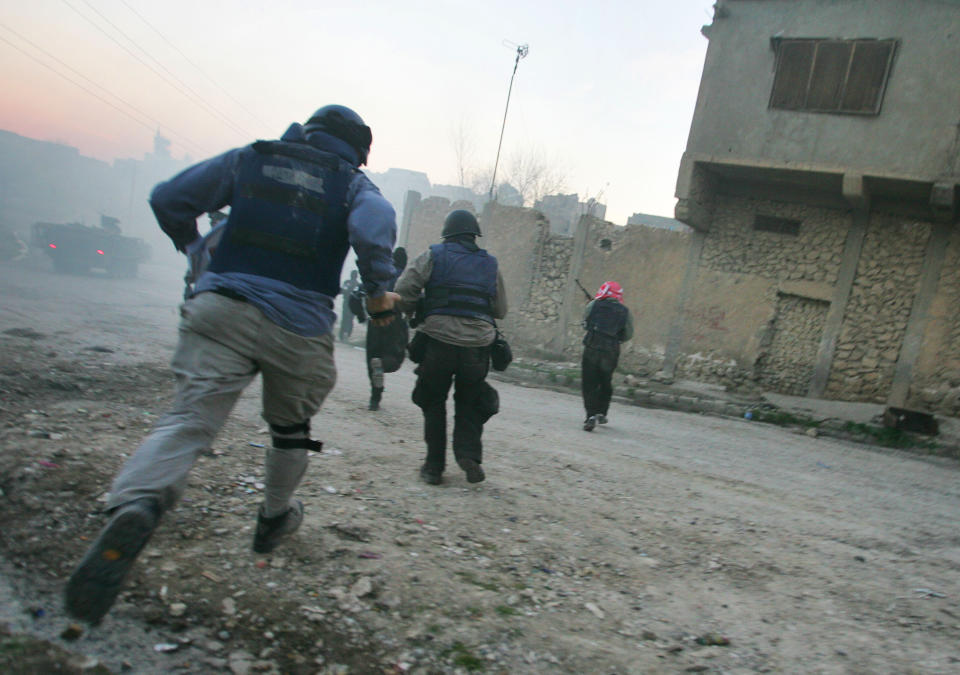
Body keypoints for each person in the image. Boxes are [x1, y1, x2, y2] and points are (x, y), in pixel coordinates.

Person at [64, 104, 400, 624]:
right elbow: (374, 226)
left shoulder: (252, 159)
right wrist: (379, 290)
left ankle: (136, 502)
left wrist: (195, 248)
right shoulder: (354, 185)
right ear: (357, 152)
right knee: (292, 428)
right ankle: (272, 518)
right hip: (299, 325)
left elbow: (168, 198)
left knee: (189, 420)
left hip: (220, 308)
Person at [395, 209, 507, 485]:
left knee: (433, 401)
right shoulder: (490, 264)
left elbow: (403, 291)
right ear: (473, 236)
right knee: (469, 402)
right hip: (477, 348)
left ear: (447, 233)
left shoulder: (433, 255)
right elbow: (501, 309)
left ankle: (434, 467)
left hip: (438, 342)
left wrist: (414, 310)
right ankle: (468, 457)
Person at [354, 247, 409, 410]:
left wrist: (361, 316)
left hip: (375, 320)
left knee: (373, 357)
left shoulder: (380, 275)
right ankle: (384, 364)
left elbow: (356, 296)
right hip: (396, 322)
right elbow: (415, 299)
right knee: (395, 357)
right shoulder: (406, 278)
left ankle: (374, 399)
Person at [581, 281, 633, 431]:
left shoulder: (594, 305)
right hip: (611, 352)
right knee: (605, 381)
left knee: (589, 383)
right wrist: (615, 339)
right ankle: (601, 413)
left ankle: (590, 416)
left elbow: (585, 324)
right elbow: (628, 334)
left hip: (592, 348)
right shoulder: (625, 312)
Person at [339, 269, 360, 341]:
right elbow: (359, 296)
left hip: (346, 302)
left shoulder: (347, 282)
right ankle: (348, 334)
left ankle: (342, 334)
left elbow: (342, 291)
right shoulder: (358, 284)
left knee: (344, 318)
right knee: (350, 319)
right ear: (356, 276)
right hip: (353, 304)